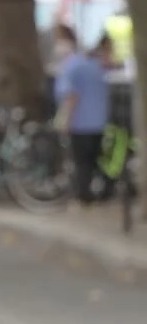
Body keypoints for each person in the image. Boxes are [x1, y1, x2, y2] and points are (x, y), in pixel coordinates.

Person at [55, 33, 116, 207]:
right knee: (96, 160)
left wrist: (65, 120)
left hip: (81, 124)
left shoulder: (73, 67)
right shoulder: (96, 66)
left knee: (82, 162)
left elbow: (71, 96)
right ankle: (103, 193)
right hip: (99, 122)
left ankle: (84, 196)